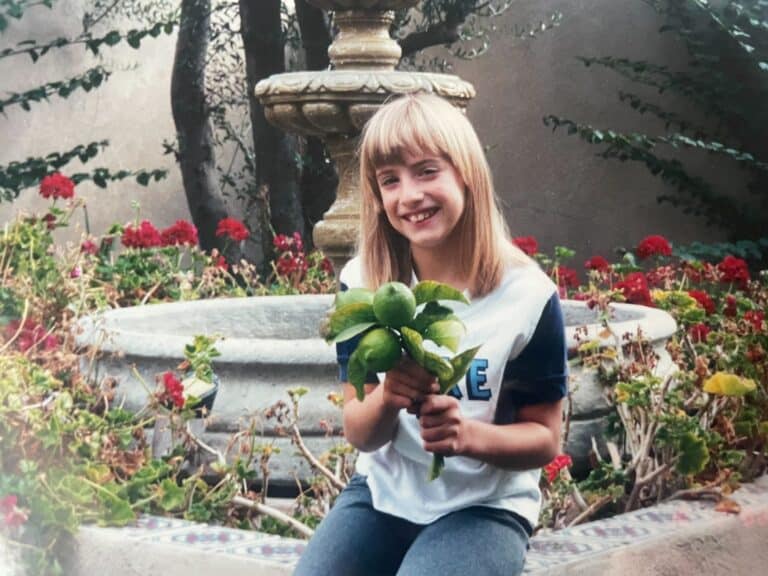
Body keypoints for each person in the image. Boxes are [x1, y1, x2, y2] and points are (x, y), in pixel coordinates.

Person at [294, 93, 568, 576]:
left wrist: (469, 435)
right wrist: (386, 399)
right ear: (377, 199)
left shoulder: (525, 297)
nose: (410, 196)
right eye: (389, 181)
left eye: (426, 171)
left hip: (484, 507)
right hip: (381, 496)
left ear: (465, 172)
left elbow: (544, 439)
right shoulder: (364, 287)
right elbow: (360, 431)